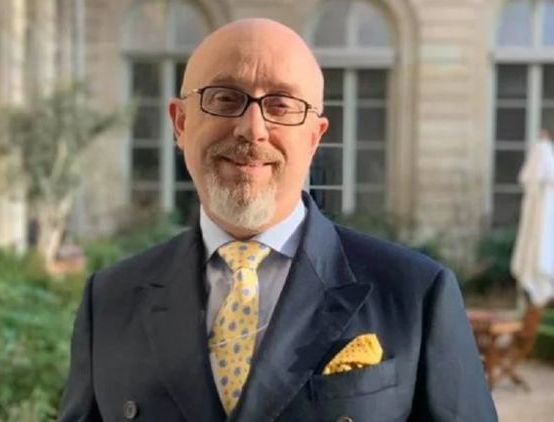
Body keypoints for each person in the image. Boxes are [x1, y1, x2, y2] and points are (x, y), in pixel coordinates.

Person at [59, 18, 497, 422]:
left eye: (281, 104)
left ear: (314, 136)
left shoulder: (415, 295)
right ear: (180, 123)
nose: (252, 129)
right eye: (225, 98)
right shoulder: (110, 301)